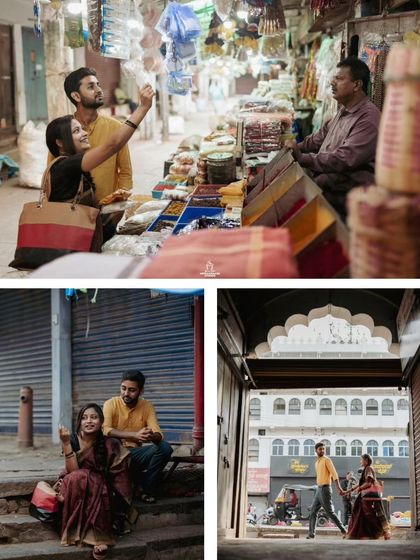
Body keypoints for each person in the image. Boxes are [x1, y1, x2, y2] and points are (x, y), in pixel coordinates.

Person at [44, 83, 154, 247]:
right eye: (76, 131)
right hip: (71, 247)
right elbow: (112, 145)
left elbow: (87, 211)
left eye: (82, 129)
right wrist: (143, 108)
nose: (85, 133)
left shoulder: (75, 165)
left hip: (82, 239)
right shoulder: (66, 166)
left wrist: (113, 209)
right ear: (60, 142)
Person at [285, 57, 381, 220]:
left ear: (357, 85)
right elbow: (320, 137)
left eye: (339, 78)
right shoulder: (344, 111)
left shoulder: (368, 118)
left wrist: (304, 158)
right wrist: (296, 147)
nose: (332, 83)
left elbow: (345, 158)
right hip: (329, 191)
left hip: (348, 203)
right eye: (333, 78)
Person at [56, 403, 132, 560]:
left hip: (101, 490)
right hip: (75, 485)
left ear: (101, 421)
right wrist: (65, 443)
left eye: (93, 417)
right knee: (80, 477)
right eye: (84, 418)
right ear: (79, 422)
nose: (88, 421)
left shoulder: (110, 443)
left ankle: (97, 536)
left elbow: (119, 474)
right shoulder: (72, 440)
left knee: (94, 483)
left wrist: (118, 496)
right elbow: (73, 472)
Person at [49, 67, 133, 202]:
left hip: (107, 209)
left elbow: (125, 171)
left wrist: (119, 202)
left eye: (98, 85)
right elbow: (52, 173)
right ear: (76, 96)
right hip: (73, 215)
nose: (99, 90)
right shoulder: (63, 130)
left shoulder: (115, 126)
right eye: (91, 87)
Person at [103, 370, 173, 503]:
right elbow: (105, 430)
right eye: (123, 388)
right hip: (114, 455)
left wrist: (149, 435)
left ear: (141, 391)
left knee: (165, 448)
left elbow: (159, 434)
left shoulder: (147, 406)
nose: (126, 393)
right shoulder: (110, 404)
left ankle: (145, 488)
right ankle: (140, 488)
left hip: (134, 455)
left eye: (131, 390)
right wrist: (134, 435)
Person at [344, 454, 391, 540]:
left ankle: (384, 531)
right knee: (371, 514)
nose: (360, 461)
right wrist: (349, 491)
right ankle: (381, 532)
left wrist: (360, 489)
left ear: (366, 460)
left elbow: (369, 483)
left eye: (361, 460)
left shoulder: (369, 468)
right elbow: (360, 483)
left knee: (370, 514)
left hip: (369, 496)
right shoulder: (366, 469)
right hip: (368, 496)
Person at [306, 442, 347, 539]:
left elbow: (334, 474)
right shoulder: (317, 463)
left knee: (329, 512)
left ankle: (344, 531)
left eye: (323, 449)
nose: (322, 451)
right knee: (313, 511)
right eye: (320, 449)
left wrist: (338, 487)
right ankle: (311, 533)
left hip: (325, 489)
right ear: (316, 450)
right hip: (318, 489)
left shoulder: (327, 460)